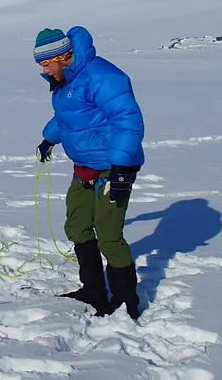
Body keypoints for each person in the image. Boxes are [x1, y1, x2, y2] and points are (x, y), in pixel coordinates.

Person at [34, 27, 145, 319]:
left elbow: (128, 120)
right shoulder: (65, 81)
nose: (43, 71)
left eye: (46, 64)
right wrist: (49, 138)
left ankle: (124, 299)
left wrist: (121, 169)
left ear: (62, 56)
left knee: (108, 235)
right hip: (84, 168)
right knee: (78, 227)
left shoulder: (103, 77)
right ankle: (93, 289)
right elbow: (69, 118)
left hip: (113, 168)